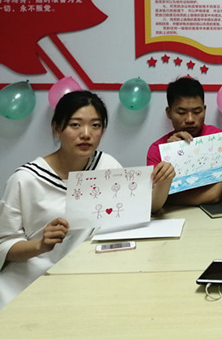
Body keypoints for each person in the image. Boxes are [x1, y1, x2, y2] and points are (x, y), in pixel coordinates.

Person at [0, 90, 174, 309]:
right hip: (30, 285)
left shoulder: (106, 166)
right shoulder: (25, 180)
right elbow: (4, 245)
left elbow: (145, 210)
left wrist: (163, 182)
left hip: (89, 280)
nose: (86, 134)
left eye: (95, 125)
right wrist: (40, 245)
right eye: (75, 125)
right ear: (56, 128)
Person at [147, 77, 222, 206]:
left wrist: (168, 199)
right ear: (169, 113)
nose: (190, 119)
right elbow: (154, 202)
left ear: (204, 110)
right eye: (181, 112)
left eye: (197, 112)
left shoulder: (220, 140)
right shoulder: (157, 150)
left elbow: (214, 195)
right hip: (172, 216)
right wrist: (172, 155)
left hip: (212, 214)